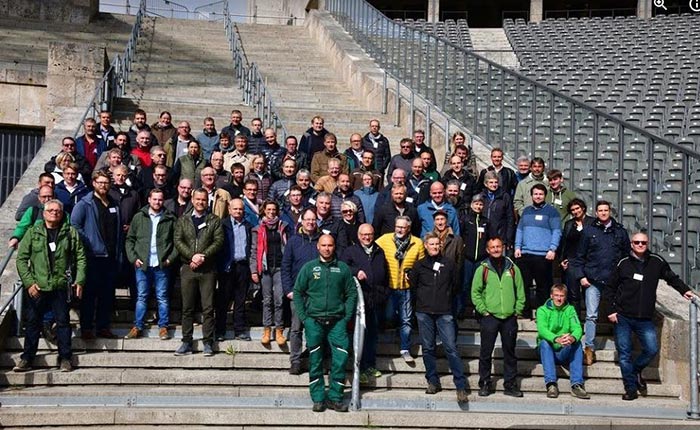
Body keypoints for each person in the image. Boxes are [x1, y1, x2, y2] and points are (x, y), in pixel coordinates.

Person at [606, 232, 696, 400]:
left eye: (643, 242)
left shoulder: (656, 261)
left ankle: (636, 370)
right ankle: (631, 389)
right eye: (637, 242)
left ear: (647, 244)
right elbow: (610, 288)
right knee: (624, 354)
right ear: (631, 244)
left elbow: (671, 277)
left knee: (651, 349)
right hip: (623, 316)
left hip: (645, 317)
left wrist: (684, 290)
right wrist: (611, 310)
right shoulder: (622, 263)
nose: (640, 245)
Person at [12, 200, 86, 373]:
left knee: (63, 323)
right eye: (51, 210)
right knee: (32, 323)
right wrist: (29, 282)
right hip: (38, 286)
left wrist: (79, 280)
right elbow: (22, 259)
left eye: (58, 211)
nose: (54, 213)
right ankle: (27, 358)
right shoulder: (33, 232)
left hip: (60, 286)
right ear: (44, 213)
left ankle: (65, 358)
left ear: (62, 213)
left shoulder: (70, 233)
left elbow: (81, 257)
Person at [293, 234, 358, 412]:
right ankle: (319, 398)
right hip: (314, 322)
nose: (327, 248)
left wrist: (346, 317)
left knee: (340, 359)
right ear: (318, 247)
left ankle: (336, 398)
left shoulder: (343, 268)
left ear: (334, 247)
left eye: (330, 245)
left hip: (337, 323)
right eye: (324, 245)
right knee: (315, 361)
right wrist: (305, 318)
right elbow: (297, 292)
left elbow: (351, 293)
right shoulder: (309, 268)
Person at [410, 232, 468, 403]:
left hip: (444, 312)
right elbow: (413, 286)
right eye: (431, 244)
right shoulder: (419, 266)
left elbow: (456, 285)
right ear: (426, 246)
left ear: (441, 245)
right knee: (428, 348)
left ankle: (460, 386)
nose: (434, 247)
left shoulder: (449, 264)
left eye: (437, 244)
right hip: (424, 312)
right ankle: (432, 382)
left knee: (451, 347)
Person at [570, 200, 629, 366]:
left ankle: (622, 348)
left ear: (610, 211)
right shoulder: (589, 231)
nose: (603, 213)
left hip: (615, 281)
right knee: (591, 315)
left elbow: (626, 257)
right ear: (596, 213)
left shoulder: (620, 231)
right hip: (593, 279)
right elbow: (579, 256)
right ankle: (589, 348)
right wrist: (581, 276)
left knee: (619, 316)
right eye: (600, 210)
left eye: (606, 210)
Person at [71, 171, 123, 340]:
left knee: (107, 295)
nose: (103, 186)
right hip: (92, 257)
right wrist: (89, 242)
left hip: (110, 257)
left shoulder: (114, 204)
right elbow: (75, 225)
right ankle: (86, 328)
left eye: (106, 183)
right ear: (93, 183)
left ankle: (103, 327)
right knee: (89, 295)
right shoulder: (85, 203)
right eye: (100, 182)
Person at [472, 237, 525, 397]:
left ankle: (510, 385)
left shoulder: (513, 268)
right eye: (492, 247)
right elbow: (475, 292)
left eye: (498, 246)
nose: (496, 249)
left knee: (510, 353)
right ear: (488, 250)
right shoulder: (483, 269)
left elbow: (521, 290)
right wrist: (483, 310)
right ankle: (485, 383)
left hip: (509, 317)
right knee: (486, 352)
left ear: (503, 247)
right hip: (490, 316)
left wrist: (518, 309)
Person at [173, 188, 224, 356]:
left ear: (207, 201)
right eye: (198, 199)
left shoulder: (214, 220)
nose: (200, 202)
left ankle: (208, 342)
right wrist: (192, 257)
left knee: (208, 308)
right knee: (187, 307)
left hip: (207, 268)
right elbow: (178, 240)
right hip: (188, 267)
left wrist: (203, 256)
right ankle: (186, 341)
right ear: (193, 200)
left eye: (203, 200)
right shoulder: (183, 220)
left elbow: (218, 240)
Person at [124, 188, 178, 340]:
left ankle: (163, 327)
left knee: (162, 297)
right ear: (149, 200)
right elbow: (130, 239)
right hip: (143, 264)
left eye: (160, 199)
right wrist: (133, 258)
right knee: (141, 296)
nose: (157, 202)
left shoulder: (170, 218)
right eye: (154, 199)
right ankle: (138, 326)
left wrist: (170, 259)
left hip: (161, 265)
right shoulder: (139, 217)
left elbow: (177, 242)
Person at [340, 224, 388, 384]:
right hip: (359, 302)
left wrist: (384, 293)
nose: (367, 237)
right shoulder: (350, 251)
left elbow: (385, 273)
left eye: (370, 234)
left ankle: (369, 365)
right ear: (359, 235)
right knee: (359, 336)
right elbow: (342, 267)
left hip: (375, 301)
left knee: (372, 336)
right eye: (364, 234)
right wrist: (356, 271)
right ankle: (358, 368)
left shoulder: (379, 251)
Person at [376, 216, 424, 363]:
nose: (400, 230)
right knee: (389, 315)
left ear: (408, 228)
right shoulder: (385, 239)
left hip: (406, 288)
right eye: (398, 226)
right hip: (389, 286)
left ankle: (405, 348)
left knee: (407, 320)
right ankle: (395, 332)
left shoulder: (417, 242)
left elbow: (421, 264)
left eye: (403, 227)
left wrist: (414, 274)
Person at [282, 207, 321, 375]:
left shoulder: (322, 240)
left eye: (313, 219)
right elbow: (285, 267)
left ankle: (314, 360)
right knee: (296, 329)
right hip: (298, 293)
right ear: (302, 221)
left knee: (315, 329)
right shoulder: (293, 241)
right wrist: (288, 290)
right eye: (308, 219)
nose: (311, 222)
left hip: (317, 295)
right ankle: (296, 361)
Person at [514, 183, 561, 317]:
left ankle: (543, 313)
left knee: (543, 287)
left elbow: (557, 231)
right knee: (524, 285)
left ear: (545, 195)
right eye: (535, 194)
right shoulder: (527, 210)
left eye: (540, 194)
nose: (538, 196)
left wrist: (552, 249)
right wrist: (518, 246)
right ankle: (525, 311)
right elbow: (520, 229)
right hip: (526, 253)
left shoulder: (552, 212)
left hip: (543, 255)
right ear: (532, 195)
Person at [536, 283, 590, 399]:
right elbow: (542, 330)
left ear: (565, 297)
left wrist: (571, 338)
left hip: (564, 349)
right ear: (551, 296)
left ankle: (576, 384)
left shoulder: (570, 310)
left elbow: (577, 328)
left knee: (577, 343)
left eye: (561, 296)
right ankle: (551, 384)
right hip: (547, 349)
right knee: (544, 342)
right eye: (556, 295)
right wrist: (556, 339)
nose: (559, 298)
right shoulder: (542, 310)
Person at [250, 200, 290, 347]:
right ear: (264, 211)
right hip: (265, 269)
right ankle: (267, 329)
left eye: (274, 209)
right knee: (267, 300)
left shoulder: (283, 227)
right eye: (268, 210)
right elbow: (254, 251)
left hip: (280, 267)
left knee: (279, 299)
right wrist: (254, 269)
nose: (271, 212)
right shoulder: (258, 229)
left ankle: (279, 329)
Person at [216, 198, 253, 341]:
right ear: (229, 210)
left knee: (240, 300)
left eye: (240, 209)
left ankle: (239, 330)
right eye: (235, 209)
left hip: (243, 266)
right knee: (223, 300)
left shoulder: (248, 226)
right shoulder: (223, 225)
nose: (238, 211)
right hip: (227, 266)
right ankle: (220, 331)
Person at [558, 198, 595, 315]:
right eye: (572, 210)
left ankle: (590, 320)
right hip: (572, 262)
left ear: (583, 208)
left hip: (588, 262)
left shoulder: (593, 222)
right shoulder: (569, 224)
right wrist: (562, 260)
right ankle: (576, 322)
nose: (575, 211)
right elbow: (564, 243)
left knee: (588, 293)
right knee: (573, 295)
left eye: (577, 208)